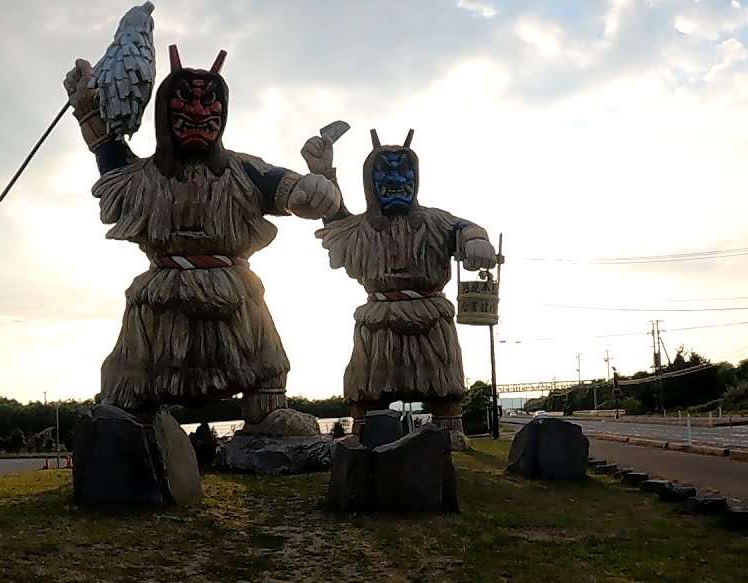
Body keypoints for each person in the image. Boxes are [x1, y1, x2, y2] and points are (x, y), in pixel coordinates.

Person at [64, 46, 342, 424]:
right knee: (131, 383)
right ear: (164, 111)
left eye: (209, 102)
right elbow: (109, 155)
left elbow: (287, 188)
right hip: (161, 299)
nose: (197, 112)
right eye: (185, 101)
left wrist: (315, 187)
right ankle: (128, 433)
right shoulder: (142, 178)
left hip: (235, 297)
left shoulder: (245, 171)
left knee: (264, 371)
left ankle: (266, 419)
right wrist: (89, 110)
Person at [301, 128, 498, 441]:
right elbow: (336, 222)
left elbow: (465, 228)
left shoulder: (436, 221)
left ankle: (450, 434)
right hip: (379, 319)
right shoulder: (361, 227)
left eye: (404, 172)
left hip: (431, 316)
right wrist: (324, 173)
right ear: (368, 180)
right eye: (384, 172)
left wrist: (476, 240)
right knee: (368, 392)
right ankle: (366, 433)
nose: (395, 181)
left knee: (445, 392)